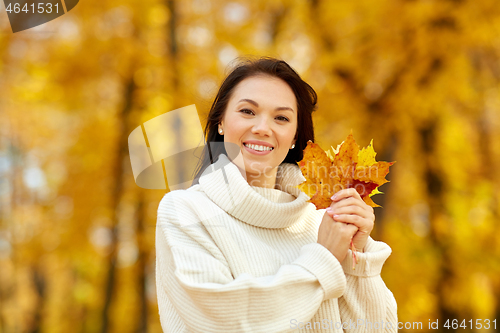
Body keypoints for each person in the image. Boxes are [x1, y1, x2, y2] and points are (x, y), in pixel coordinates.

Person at [155, 57, 397, 332]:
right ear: (220, 121)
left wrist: (358, 256)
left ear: (294, 136)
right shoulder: (185, 211)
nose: (262, 128)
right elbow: (221, 322)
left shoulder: (323, 219)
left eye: (281, 117)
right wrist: (323, 260)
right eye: (247, 111)